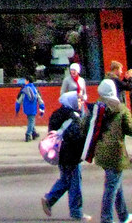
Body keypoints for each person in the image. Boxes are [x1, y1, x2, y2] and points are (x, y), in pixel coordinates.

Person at [40, 91, 92, 221]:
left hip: (59, 153)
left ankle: (50, 200)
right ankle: (76, 212)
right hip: (71, 154)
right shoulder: (73, 116)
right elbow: (75, 136)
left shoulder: (57, 114)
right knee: (75, 182)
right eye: (79, 101)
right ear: (73, 102)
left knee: (66, 179)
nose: (81, 103)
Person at [93, 78, 132, 223]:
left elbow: (86, 126)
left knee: (116, 184)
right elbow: (130, 129)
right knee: (111, 187)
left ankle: (123, 215)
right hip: (115, 153)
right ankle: (106, 219)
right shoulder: (121, 109)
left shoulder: (98, 107)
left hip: (101, 151)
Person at [16, 76, 45, 142]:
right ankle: (28, 134)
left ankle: (33, 132)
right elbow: (39, 99)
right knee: (31, 121)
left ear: (28, 81)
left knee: (30, 120)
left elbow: (19, 100)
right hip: (32, 108)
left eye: (25, 80)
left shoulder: (24, 89)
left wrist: (17, 109)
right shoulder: (35, 89)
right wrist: (42, 108)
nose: (24, 82)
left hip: (26, 108)